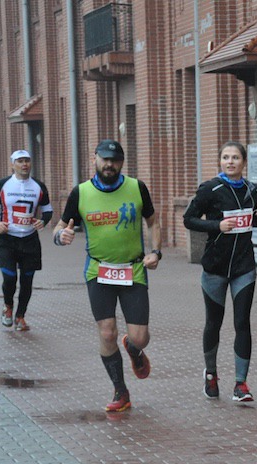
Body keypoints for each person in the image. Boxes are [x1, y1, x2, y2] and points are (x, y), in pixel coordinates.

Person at [51, 140, 162, 412]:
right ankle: (120, 391)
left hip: (133, 270)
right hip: (98, 271)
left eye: (115, 160)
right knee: (107, 332)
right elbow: (59, 227)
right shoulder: (81, 192)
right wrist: (60, 236)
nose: (109, 164)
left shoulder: (137, 187)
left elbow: (152, 222)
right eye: (105, 159)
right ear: (95, 159)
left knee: (140, 337)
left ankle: (133, 348)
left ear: (122, 162)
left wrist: (156, 252)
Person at [183, 141, 257, 402]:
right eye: (226, 157)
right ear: (220, 161)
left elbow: (252, 221)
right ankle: (211, 374)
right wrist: (216, 225)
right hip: (215, 267)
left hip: (243, 267)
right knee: (214, 322)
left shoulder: (252, 190)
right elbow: (188, 219)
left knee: (242, 322)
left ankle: (241, 384)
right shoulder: (210, 189)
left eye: (235, 157)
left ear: (244, 162)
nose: (230, 162)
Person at [0, 150, 53, 331]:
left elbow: (47, 210)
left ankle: (20, 316)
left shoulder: (39, 186)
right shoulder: (2, 185)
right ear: (13, 164)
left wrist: (43, 221)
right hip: (6, 238)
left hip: (29, 239)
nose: (24, 164)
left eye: (27, 161)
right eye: (20, 161)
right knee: (10, 278)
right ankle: (8, 306)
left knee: (27, 281)